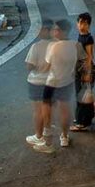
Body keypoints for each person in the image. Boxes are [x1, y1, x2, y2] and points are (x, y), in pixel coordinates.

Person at [36, 19, 80, 151]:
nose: (54, 32)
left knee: (46, 104)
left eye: (57, 30)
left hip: (52, 81)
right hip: (67, 82)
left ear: (64, 31)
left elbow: (47, 64)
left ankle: (47, 131)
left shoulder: (52, 46)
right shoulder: (76, 45)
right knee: (65, 109)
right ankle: (64, 137)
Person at [24, 19, 54, 149]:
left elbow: (29, 66)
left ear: (46, 31)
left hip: (37, 82)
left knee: (38, 111)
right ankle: (47, 132)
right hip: (51, 82)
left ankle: (39, 136)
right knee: (47, 109)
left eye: (40, 29)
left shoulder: (36, 47)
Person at [71, 13, 95, 132]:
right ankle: (86, 118)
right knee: (85, 95)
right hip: (80, 70)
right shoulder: (81, 36)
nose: (82, 25)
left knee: (81, 97)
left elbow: (89, 57)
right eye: (80, 22)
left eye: (85, 23)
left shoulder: (88, 38)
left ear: (89, 25)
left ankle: (82, 123)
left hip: (85, 72)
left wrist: (87, 74)